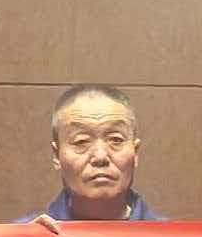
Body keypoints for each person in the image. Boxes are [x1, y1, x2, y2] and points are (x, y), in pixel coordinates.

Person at [27, 83, 161, 222]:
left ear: (135, 152)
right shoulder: (25, 233)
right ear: (56, 155)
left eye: (116, 139)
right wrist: (30, 236)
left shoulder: (169, 235)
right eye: (81, 141)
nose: (100, 156)